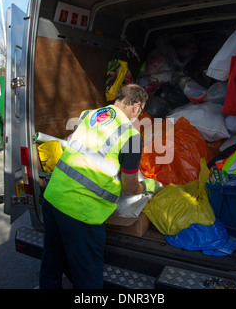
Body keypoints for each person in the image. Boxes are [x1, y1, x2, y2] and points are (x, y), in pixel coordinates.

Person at [39, 84, 158, 289]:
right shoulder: (130, 137)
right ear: (137, 106)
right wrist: (147, 184)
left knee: (52, 260)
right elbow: (130, 188)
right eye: (141, 110)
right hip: (81, 212)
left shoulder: (88, 115)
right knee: (88, 276)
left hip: (52, 198)